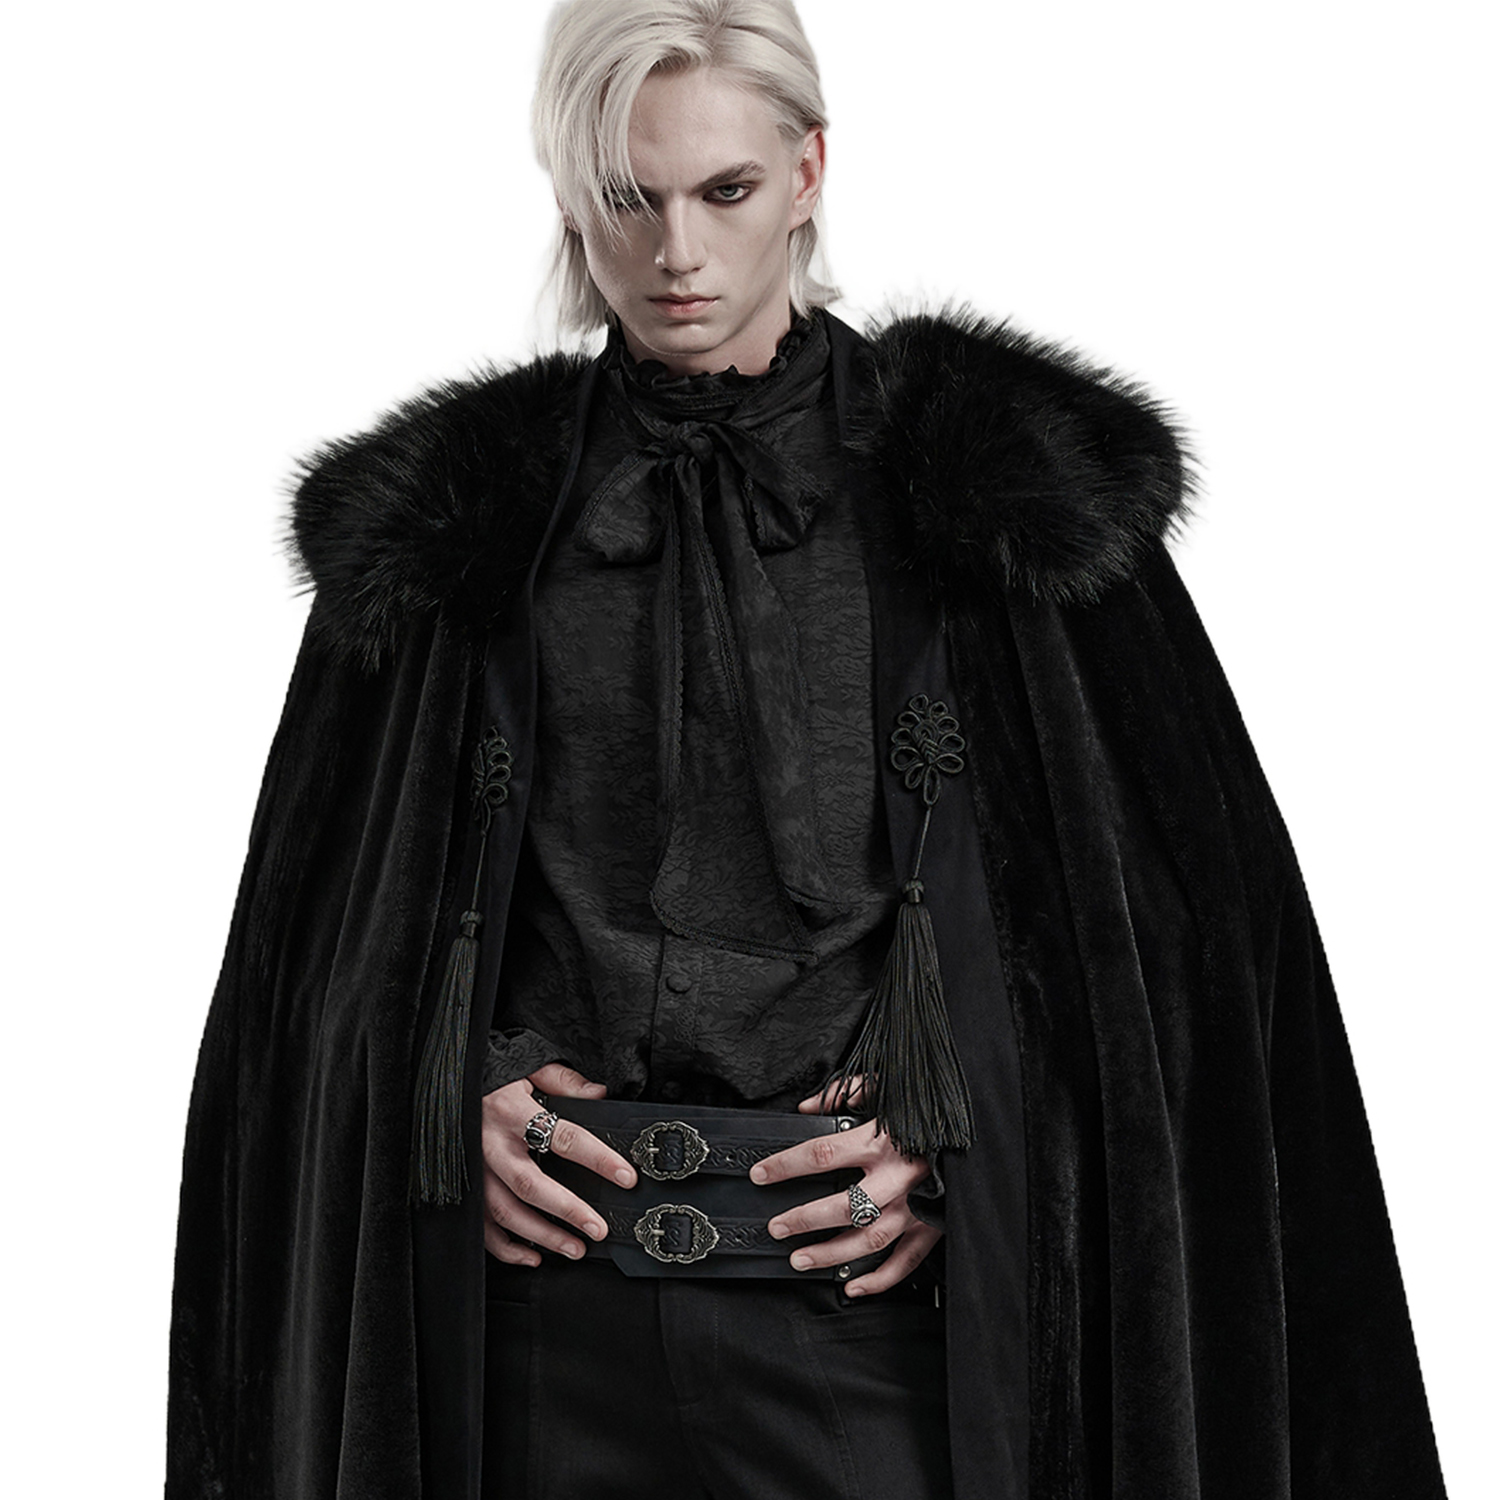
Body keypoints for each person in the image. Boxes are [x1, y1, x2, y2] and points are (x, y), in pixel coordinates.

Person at [166, 2, 1447, 1497]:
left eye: (726, 191)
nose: (678, 254)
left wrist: (966, 1136)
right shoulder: (452, 526)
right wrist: (449, 1094)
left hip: (874, 1339)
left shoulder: (1006, 500)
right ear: (569, 196)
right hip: (537, 1338)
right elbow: (308, 968)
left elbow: (1188, 952)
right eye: (628, 199)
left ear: (809, 171)